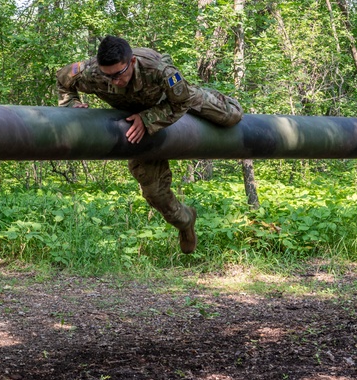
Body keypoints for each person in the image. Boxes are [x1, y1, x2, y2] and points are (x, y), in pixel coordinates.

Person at [56, 35, 243, 253]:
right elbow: (62, 79)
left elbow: (180, 103)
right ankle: (187, 222)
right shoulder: (91, 72)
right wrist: (71, 104)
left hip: (172, 100)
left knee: (232, 116)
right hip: (135, 117)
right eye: (108, 77)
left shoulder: (160, 71)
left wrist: (148, 119)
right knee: (155, 194)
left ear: (132, 62)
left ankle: (211, 96)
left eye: (118, 74)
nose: (114, 81)